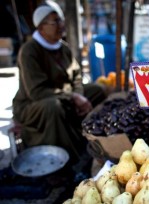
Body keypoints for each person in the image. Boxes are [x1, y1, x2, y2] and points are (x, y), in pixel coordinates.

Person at [12, 1, 110, 163]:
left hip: (65, 95)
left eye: (60, 20)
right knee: (53, 107)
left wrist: (79, 95)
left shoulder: (63, 48)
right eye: (55, 21)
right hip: (34, 103)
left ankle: (92, 135)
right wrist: (73, 97)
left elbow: (77, 77)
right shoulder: (29, 51)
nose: (61, 25)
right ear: (41, 27)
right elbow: (37, 92)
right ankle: (70, 156)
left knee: (97, 90)